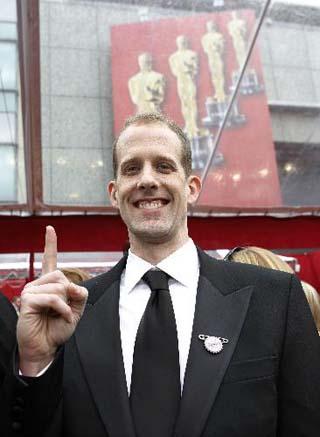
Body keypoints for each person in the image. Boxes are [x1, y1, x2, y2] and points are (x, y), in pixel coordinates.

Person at [1, 112, 320, 437]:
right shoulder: (70, 315)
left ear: (192, 187)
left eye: (164, 166)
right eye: (132, 168)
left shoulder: (273, 299)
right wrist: (36, 362)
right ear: (114, 193)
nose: (147, 180)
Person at [169, 35, 200, 138]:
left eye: (184, 41)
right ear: (177, 43)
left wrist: (188, 69)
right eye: (180, 42)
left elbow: (195, 69)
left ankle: (194, 124)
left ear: (186, 42)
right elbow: (174, 71)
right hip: (181, 80)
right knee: (184, 102)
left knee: (192, 101)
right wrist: (183, 70)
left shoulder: (192, 54)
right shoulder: (173, 57)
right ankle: (188, 123)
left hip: (189, 79)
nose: (182, 43)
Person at [201, 21, 226, 103]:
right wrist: (211, 48)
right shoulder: (205, 38)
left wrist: (217, 48)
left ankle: (222, 91)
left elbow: (222, 48)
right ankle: (217, 91)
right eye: (209, 26)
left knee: (220, 73)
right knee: (214, 75)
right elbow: (205, 49)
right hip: (211, 57)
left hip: (218, 57)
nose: (211, 27)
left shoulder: (219, 36)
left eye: (212, 25)